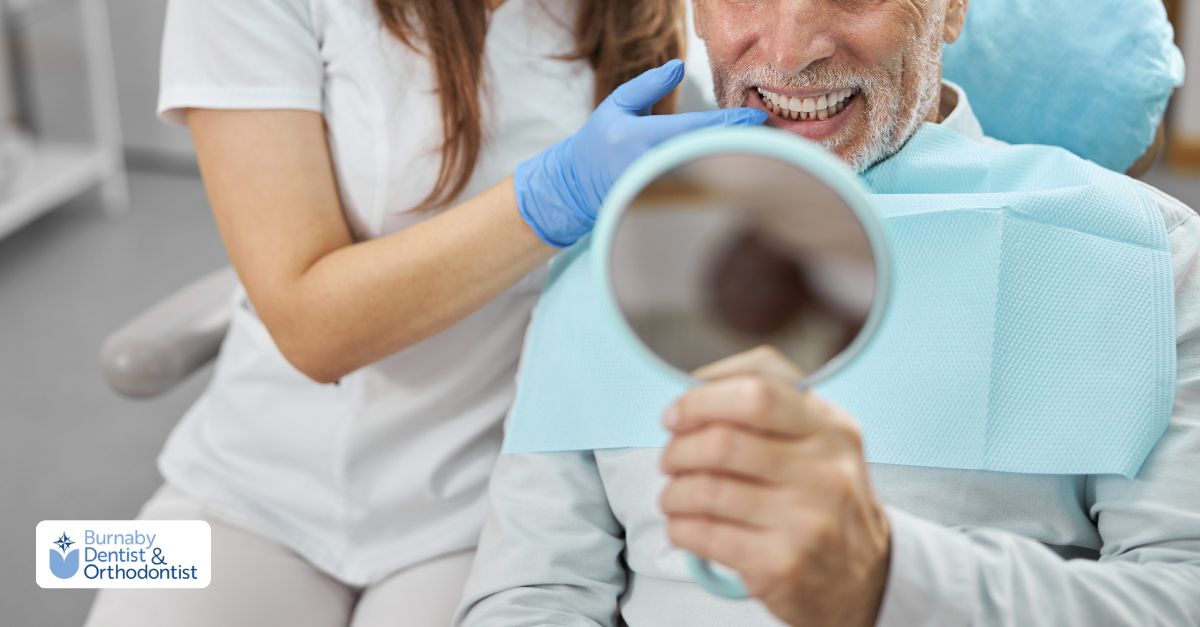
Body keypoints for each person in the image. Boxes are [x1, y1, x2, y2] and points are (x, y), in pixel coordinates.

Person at [454, 0, 1200, 625]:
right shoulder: (609, 253)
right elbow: (532, 594)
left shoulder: (1146, 256)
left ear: (951, 9)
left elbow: (1181, 593)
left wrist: (889, 577)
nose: (789, 52)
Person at [83, 1, 767, 625]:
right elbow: (310, 329)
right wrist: (549, 198)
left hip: (477, 508)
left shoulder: (629, 12)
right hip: (245, 487)